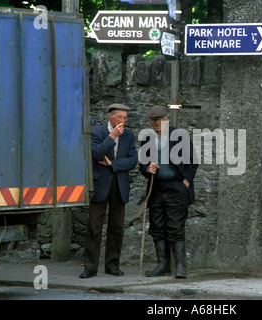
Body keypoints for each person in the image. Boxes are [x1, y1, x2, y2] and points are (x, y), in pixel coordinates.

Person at [139, 105, 198, 279]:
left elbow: (193, 162)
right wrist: (147, 168)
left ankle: (180, 266)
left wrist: (185, 182)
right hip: (156, 187)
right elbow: (142, 164)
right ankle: (163, 265)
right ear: (149, 121)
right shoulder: (147, 138)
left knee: (175, 226)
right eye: (154, 120)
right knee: (157, 225)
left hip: (176, 187)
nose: (158, 122)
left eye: (160, 119)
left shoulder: (180, 136)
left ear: (166, 118)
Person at [80, 103, 138, 279]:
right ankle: (90, 267)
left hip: (119, 185)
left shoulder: (128, 136)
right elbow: (96, 153)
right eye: (120, 117)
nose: (123, 121)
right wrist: (112, 136)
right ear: (110, 116)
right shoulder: (96, 132)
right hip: (100, 186)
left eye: (125, 118)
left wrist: (112, 164)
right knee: (94, 227)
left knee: (117, 227)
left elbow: (133, 160)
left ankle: (112, 265)